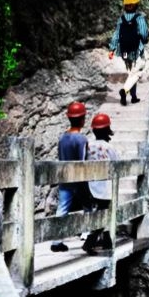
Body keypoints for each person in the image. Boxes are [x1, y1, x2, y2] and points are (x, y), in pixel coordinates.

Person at [51, 101, 90, 252]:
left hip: (64, 178)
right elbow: (82, 161)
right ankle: (87, 235)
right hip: (79, 180)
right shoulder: (81, 139)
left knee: (62, 208)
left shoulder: (62, 138)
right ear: (83, 119)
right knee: (89, 206)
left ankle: (56, 241)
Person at [83, 112, 119, 253]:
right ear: (107, 130)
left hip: (89, 184)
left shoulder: (88, 145)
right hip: (104, 187)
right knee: (104, 212)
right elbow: (117, 164)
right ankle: (89, 242)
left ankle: (106, 240)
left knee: (98, 211)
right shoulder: (109, 148)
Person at [108, 0, 149, 106]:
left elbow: (116, 35)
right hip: (136, 50)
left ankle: (134, 97)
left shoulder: (121, 19)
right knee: (137, 72)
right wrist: (144, 40)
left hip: (124, 51)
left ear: (125, 6)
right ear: (135, 5)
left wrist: (112, 49)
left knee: (131, 72)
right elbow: (144, 33)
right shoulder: (139, 18)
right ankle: (124, 91)